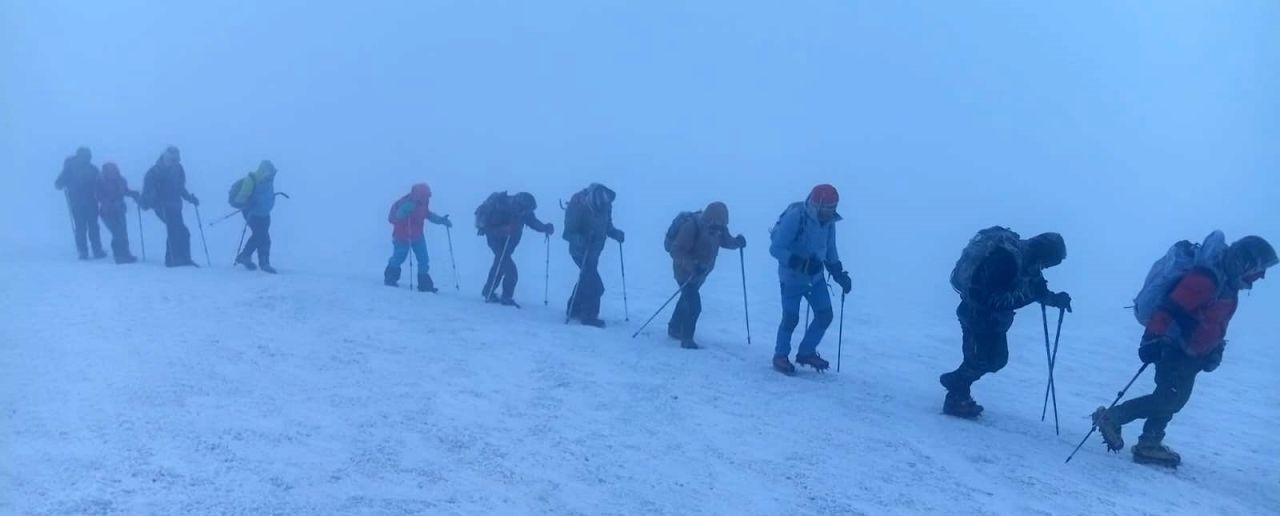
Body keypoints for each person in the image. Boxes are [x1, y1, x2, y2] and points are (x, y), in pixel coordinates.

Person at [1093, 233, 1276, 467]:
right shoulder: (1207, 279)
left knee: (1171, 395)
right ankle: (1113, 417)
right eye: (1260, 268)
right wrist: (1151, 339)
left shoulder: (1227, 284)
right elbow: (1170, 307)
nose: (1261, 276)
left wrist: (1216, 348)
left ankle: (1150, 443)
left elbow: (1216, 320)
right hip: (1175, 347)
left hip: (1192, 353)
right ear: (1246, 261)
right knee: (1171, 399)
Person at [938, 227, 1072, 418]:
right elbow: (988, 298)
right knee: (978, 360)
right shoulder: (1005, 260)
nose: (1045, 267)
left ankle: (957, 385)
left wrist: (1055, 299)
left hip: (995, 321)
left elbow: (1036, 289)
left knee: (997, 361)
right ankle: (955, 397)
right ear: (1043, 253)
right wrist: (1032, 295)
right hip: (976, 316)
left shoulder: (1029, 261)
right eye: (1048, 262)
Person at [768, 184, 852, 374]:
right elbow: (776, 248)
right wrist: (801, 264)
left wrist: (839, 274)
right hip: (791, 279)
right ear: (817, 205)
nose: (830, 212)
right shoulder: (796, 217)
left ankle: (806, 352)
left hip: (816, 279)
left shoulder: (829, 222)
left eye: (833, 208)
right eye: (827, 208)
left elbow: (830, 249)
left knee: (825, 315)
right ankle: (780, 355)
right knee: (790, 318)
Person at [665, 202, 746, 349]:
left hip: (701, 273)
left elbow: (726, 241)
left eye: (722, 224)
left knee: (686, 298)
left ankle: (674, 327)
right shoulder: (692, 226)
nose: (719, 228)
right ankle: (687, 338)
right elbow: (676, 251)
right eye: (718, 224)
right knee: (694, 305)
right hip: (684, 272)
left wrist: (737, 243)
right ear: (710, 218)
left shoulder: (718, 228)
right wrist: (692, 266)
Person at [475, 191, 554, 306]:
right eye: (527, 210)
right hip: (496, 241)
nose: (527, 213)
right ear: (520, 205)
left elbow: (532, 222)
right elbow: (488, 229)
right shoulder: (500, 207)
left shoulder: (523, 210)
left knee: (500, 265)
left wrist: (544, 228)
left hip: (510, 242)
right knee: (511, 270)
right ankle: (506, 297)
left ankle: (488, 291)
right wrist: (504, 230)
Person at [563, 183, 625, 327]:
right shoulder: (578, 204)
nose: (605, 207)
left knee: (586, 279)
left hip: (595, 251)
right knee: (595, 285)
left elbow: (607, 226)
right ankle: (588, 316)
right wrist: (583, 238)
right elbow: (567, 233)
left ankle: (574, 308)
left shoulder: (606, 204)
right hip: (580, 252)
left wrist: (615, 233)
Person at [385, 183, 451, 291]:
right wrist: (404, 212)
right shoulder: (405, 203)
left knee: (424, 259)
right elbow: (396, 217)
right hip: (402, 236)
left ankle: (425, 285)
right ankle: (390, 278)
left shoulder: (423, 203)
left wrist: (441, 221)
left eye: (428, 196)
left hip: (418, 236)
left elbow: (427, 214)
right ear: (418, 194)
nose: (427, 198)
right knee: (399, 258)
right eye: (425, 195)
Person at [141, 146, 200, 267]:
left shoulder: (178, 169)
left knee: (181, 231)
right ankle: (173, 259)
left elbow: (180, 187)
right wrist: (156, 203)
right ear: (165, 158)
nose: (174, 162)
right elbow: (148, 191)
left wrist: (189, 198)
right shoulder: (154, 172)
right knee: (175, 230)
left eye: (176, 159)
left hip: (175, 206)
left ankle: (183, 258)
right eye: (171, 159)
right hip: (162, 207)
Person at [54, 147, 105, 260]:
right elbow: (100, 182)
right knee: (93, 226)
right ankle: (97, 250)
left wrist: (66, 185)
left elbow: (58, 184)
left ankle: (83, 251)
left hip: (77, 202)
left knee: (80, 227)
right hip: (91, 201)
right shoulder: (92, 168)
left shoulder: (70, 167)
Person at [232, 160, 279, 274]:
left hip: (265, 213)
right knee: (262, 236)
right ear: (264, 171)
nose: (272, 176)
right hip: (252, 213)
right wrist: (249, 202)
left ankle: (246, 257)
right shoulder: (251, 180)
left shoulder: (269, 180)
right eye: (270, 173)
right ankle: (263, 263)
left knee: (260, 236)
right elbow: (240, 199)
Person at [95, 162, 140, 264]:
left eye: (114, 170)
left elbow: (125, 191)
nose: (113, 172)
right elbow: (98, 196)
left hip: (119, 210)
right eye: (111, 171)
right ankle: (119, 256)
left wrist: (133, 194)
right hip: (107, 212)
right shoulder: (100, 181)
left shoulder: (121, 180)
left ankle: (126, 254)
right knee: (117, 233)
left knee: (123, 232)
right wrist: (110, 202)